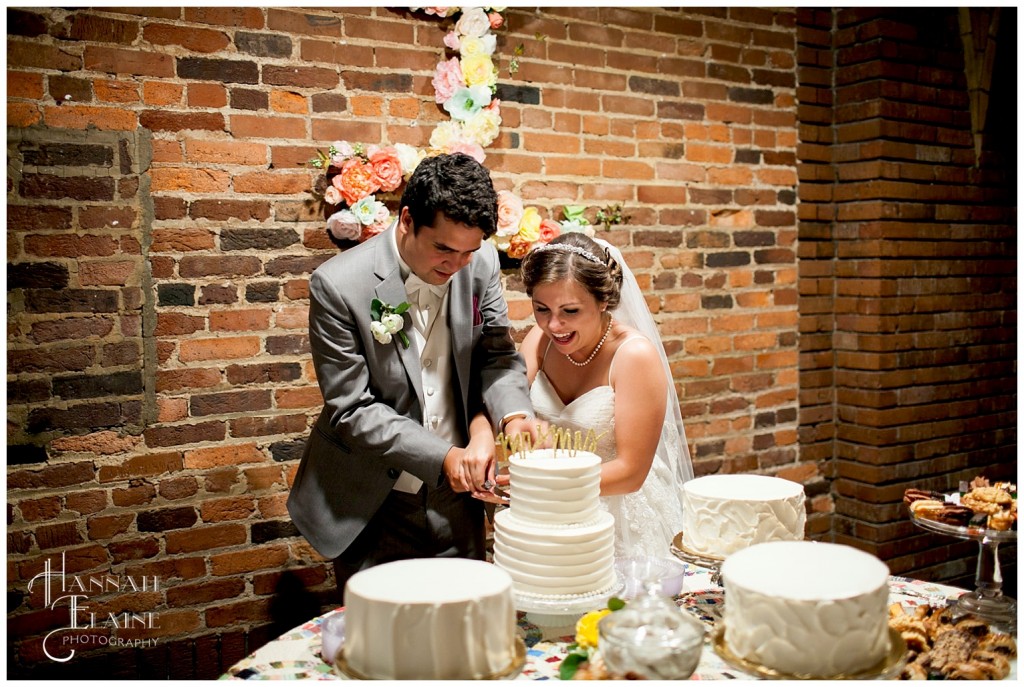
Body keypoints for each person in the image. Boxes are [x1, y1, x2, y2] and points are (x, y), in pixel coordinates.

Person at [287, 153, 542, 596]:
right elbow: (351, 409)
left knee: (462, 626)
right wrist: (443, 457)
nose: (456, 265)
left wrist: (514, 417)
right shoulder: (338, 285)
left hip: (460, 502)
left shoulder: (478, 267)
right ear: (406, 220)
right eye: (443, 248)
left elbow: (496, 358)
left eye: (470, 250)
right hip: (371, 502)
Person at [517, 232, 694, 558]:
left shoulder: (634, 355)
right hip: (547, 516)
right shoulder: (539, 340)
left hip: (618, 520)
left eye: (570, 311)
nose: (554, 325)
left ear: (603, 301)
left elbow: (630, 472)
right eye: (542, 309)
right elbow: (507, 399)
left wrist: (538, 481)